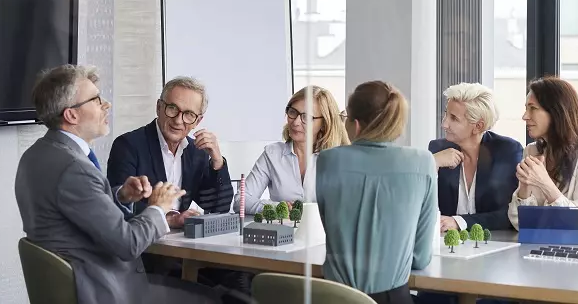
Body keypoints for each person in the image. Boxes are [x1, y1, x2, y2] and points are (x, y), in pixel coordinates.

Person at [14, 64, 220, 304]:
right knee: (217, 298)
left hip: (80, 283)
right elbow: (129, 245)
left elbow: (81, 214)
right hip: (105, 289)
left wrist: (120, 196)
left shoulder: (36, 155)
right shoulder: (76, 168)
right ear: (72, 115)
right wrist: (158, 207)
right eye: (96, 100)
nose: (106, 105)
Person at [317, 81, 437, 304]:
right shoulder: (422, 162)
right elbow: (420, 258)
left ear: (356, 125)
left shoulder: (328, 160)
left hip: (333, 297)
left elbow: (334, 232)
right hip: (392, 298)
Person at [107, 76, 233, 226]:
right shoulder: (128, 145)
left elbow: (218, 206)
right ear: (159, 107)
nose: (178, 120)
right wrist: (168, 219)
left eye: (189, 114)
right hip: (142, 243)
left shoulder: (197, 152)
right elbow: (119, 206)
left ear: (197, 121)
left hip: (181, 243)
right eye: (172, 108)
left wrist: (218, 162)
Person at [508, 76, 578, 236]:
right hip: (555, 240)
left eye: (532, 108)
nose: (525, 116)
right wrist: (525, 187)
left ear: (557, 112)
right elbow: (521, 225)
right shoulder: (532, 152)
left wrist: (545, 183)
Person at [234, 85, 349, 214]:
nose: (296, 122)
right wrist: (279, 208)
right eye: (293, 112)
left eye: (306, 117)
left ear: (324, 124)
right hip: (283, 232)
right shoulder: (272, 154)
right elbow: (241, 201)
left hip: (324, 233)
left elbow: (348, 207)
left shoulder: (337, 159)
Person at [429, 83, 523, 232]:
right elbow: (420, 206)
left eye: (454, 118)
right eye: (446, 114)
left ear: (478, 126)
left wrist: (458, 222)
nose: (444, 124)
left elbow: (509, 215)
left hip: (495, 245)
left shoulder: (506, 151)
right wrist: (432, 164)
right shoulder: (437, 149)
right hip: (445, 245)